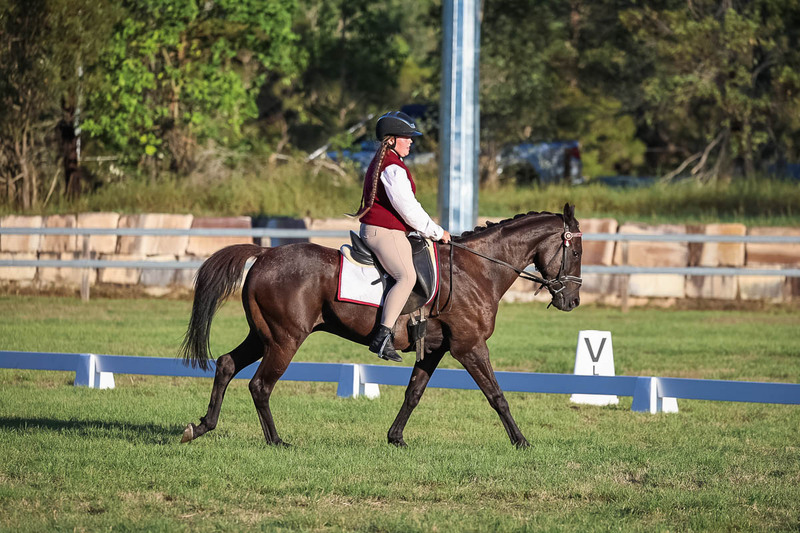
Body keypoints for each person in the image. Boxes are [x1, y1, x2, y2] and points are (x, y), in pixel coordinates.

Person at [350, 111, 451, 362]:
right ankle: (382, 336)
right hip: (385, 232)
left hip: (387, 230)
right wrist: (437, 232)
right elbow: (409, 210)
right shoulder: (392, 168)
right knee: (406, 276)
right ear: (392, 140)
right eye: (407, 137)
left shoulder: (385, 161)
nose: (411, 141)